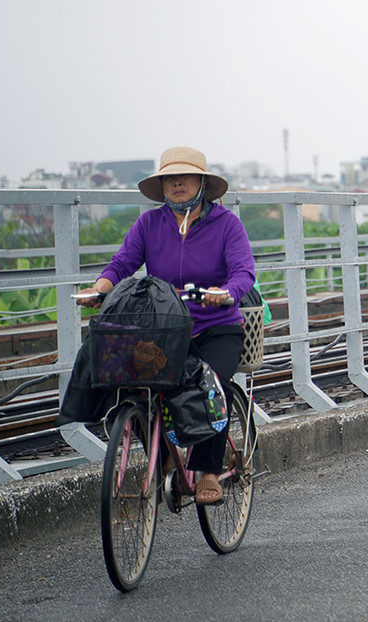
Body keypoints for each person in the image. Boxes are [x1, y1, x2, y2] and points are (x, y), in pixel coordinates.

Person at [76, 146, 256, 506]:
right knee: (135, 384)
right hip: (166, 329)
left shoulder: (226, 225)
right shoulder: (149, 224)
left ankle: (208, 472)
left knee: (210, 386)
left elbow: (244, 272)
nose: (177, 182)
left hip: (216, 327)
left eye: (185, 176)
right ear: (161, 186)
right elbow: (122, 263)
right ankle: (162, 454)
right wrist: (99, 289)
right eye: (170, 178)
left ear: (202, 183)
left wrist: (226, 293)